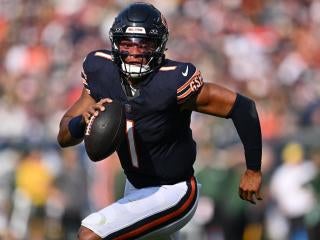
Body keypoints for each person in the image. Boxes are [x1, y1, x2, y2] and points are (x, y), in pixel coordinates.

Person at [57, 2, 263, 240]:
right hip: (134, 188)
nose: (134, 53)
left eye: (143, 45)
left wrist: (253, 169)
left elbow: (242, 107)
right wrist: (80, 123)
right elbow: (63, 136)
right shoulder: (100, 71)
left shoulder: (172, 81)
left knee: (91, 234)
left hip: (174, 191)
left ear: (159, 46)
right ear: (115, 44)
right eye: (127, 44)